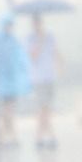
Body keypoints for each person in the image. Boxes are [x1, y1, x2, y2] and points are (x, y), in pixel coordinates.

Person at [0, 18, 29, 144]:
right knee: (6, 110)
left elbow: (19, 59)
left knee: (8, 109)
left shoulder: (12, 40)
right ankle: (7, 135)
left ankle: (6, 135)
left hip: (10, 81)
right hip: (1, 81)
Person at [26, 13, 60, 150]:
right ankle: (43, 136)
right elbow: (33, 56)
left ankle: (42, 136)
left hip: (49, 76)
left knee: (47, 107)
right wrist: (39, 41)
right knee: (42, 107)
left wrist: (61, 65)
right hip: (38, 78)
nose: (38, 26)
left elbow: (55, 52)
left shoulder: (50, 36)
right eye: (35, 23)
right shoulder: (30, 39)